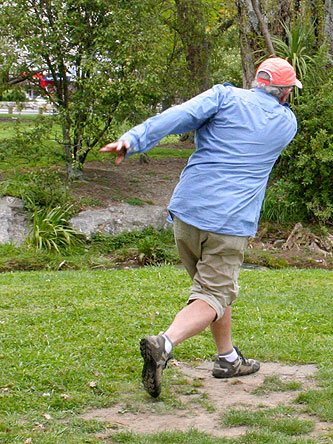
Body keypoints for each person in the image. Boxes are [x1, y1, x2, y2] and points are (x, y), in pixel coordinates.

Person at [100, 57, 302, 397]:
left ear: (256, 81)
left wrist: (133, 140)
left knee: (214, 289)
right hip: (229, 222)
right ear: (284, 93)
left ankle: (227, 358)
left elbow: (175, 116)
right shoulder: (286, 123)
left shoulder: (223, 97)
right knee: (213, 293)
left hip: (187, 213)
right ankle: (164, 343)